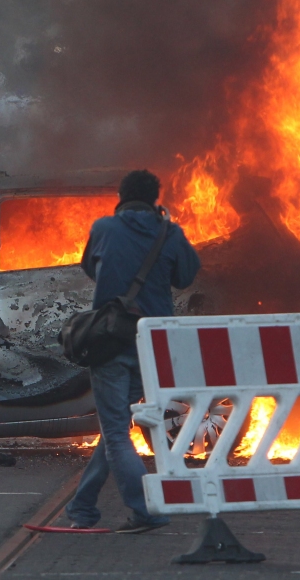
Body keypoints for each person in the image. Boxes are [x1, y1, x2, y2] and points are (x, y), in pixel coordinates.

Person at [66, 169, 200, 533]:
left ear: (121, 197)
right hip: (151, 346)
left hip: (111, 341)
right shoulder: (169, 233)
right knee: (116, 429)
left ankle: (147, 510)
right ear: (155, 199)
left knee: (114, 432)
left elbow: (90, 267)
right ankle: (83, 506)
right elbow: (186, 275)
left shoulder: (104, 228)